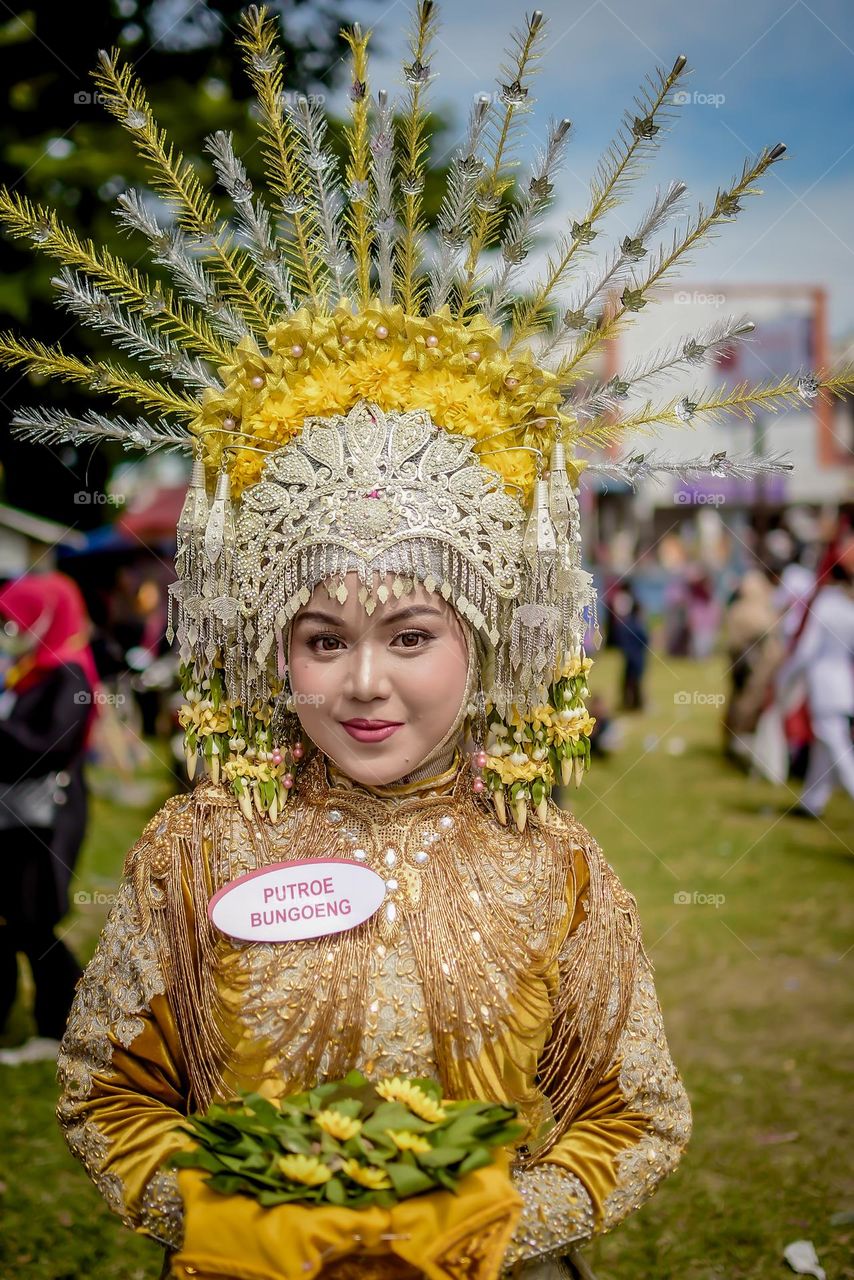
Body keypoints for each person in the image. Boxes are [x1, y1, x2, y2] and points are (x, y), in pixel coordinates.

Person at [5, 5, 843, 1275]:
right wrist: (232, 1216)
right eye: (321, 638)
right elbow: (106, 1094)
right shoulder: (197, 843)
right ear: (264, 648)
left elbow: (634, 1112)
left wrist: (494, 1221)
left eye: (408, 632)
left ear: (486, 634)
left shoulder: (548, 857)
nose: (366, 681)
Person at [0, 572, 98, 1055]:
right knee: (14, 920)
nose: (10, 630)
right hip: (17, 813)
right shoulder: (34, 669)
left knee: (35, 921)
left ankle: (60, 1024)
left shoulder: (70, 672)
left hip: (50, 814)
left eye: (18, 621)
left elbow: (54, 747)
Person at [780, 560, 854, 818]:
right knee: (824, 749)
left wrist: (784, 677)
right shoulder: (848, 607)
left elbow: (806, 650)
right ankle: (812, 802)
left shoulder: (826, 603)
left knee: (839, 752)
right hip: (844, 685)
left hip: (824, 687)